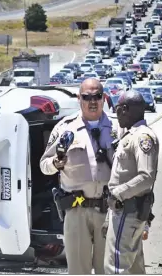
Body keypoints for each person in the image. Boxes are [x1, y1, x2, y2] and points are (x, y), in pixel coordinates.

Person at [40, 78, 115, 274]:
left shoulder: (116, 128)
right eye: (87, 97)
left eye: (97, 96)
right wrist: (56, 163)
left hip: (108, 211)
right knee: (77, 270)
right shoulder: (65, 128)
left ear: (103, 98)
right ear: (78, 99)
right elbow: (44, 165)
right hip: (76, 210)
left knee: (107, 269)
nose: (92, 101)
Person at [104, 90, 159, 274]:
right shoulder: (131, 135)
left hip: (127, 211)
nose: (116, 114)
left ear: (125, 109)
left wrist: (117, 193)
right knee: (135, 268)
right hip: (127, 211)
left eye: (118, 109)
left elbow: (146, 177)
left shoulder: (142, 137)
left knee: (115, 268)